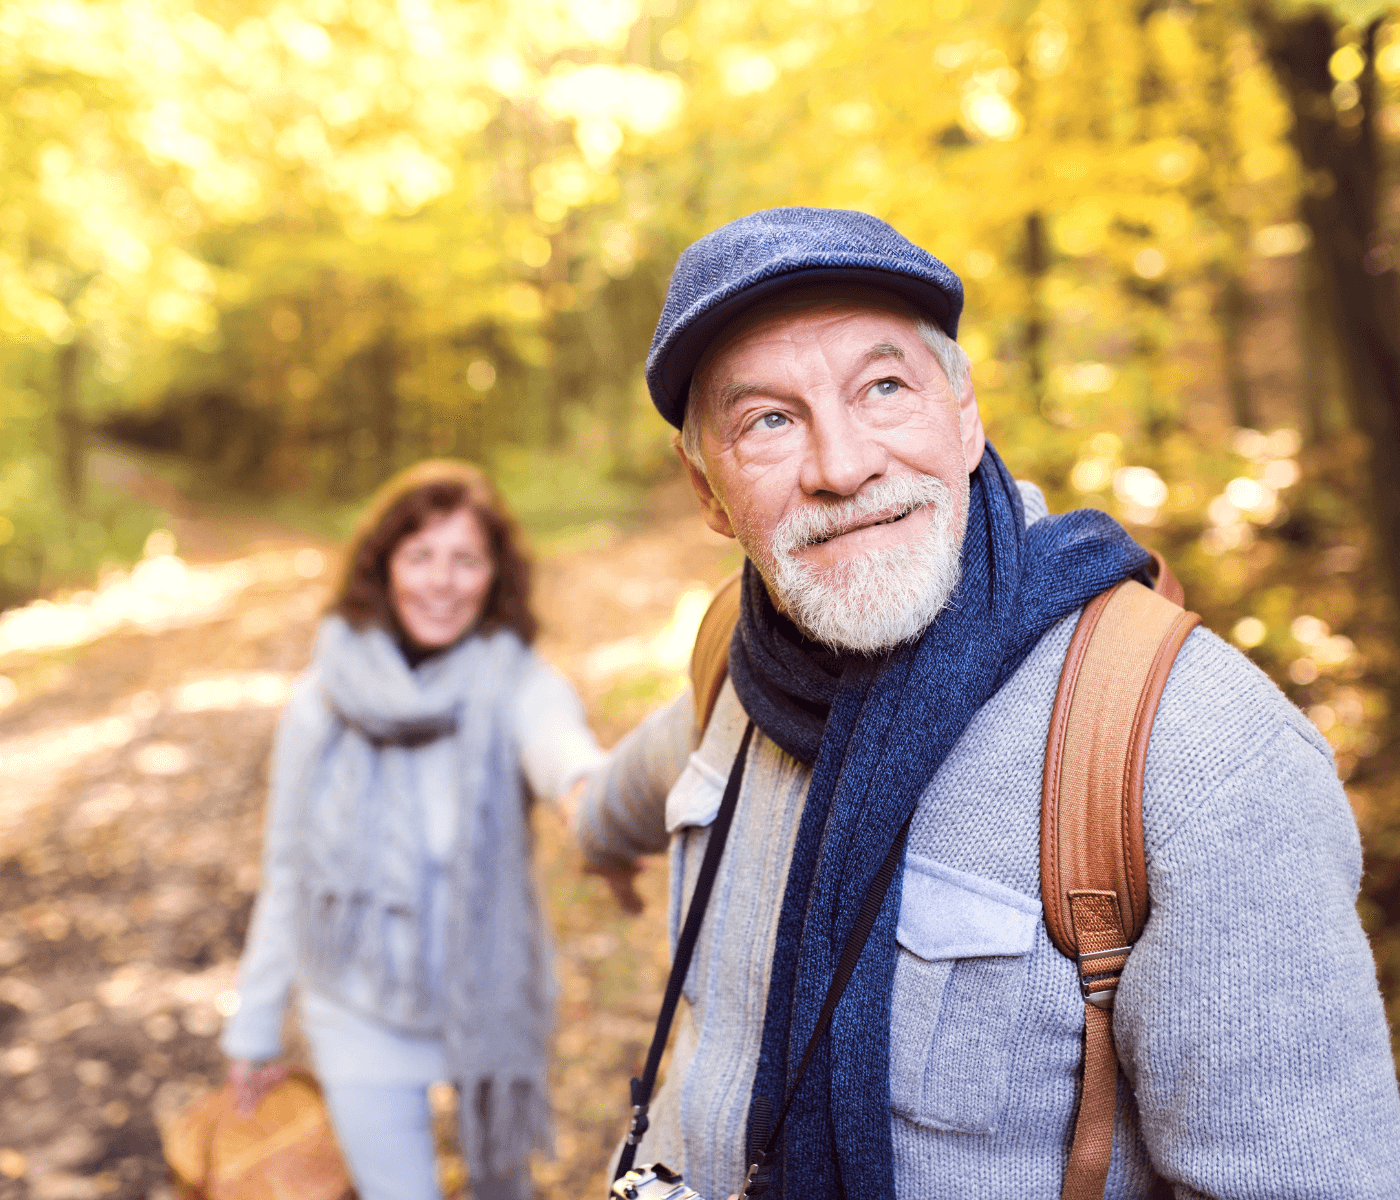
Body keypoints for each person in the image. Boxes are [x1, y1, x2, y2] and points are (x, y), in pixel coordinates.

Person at [576, 208, 1400, 1199]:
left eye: (882, 388)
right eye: (767, 420)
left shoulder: (1192, 752)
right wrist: (591, 827)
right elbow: (645, 778)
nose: (839, 466)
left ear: (962, 413)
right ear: (707, 488)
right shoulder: (740, 666)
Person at [221, 459, 604, 1200]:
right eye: (420, 555)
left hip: (485, 1001)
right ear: (384, 565)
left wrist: (595, 791)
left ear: (495, 577)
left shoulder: (517, 682)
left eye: (466, 560)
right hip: (356, 1006)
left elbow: (562, 747)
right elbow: (289, 873)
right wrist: (254, 1025)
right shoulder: (321, 700)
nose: (442, 581)